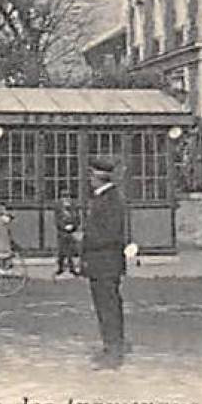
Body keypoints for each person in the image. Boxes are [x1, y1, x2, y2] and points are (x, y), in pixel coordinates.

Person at [82, 158, 128, 369]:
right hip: (101, 263)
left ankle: (114, 352)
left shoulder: (110, 200)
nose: (89, 180)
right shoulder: (104, 198)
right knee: (104, 307)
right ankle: (110, 347)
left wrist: (84, 238)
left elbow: (111, 234)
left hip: (106, 262)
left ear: (98, 178)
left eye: (91, 176)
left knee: (108, 307)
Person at [54, 195, 81, 277]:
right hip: (62, 232)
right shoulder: (58, 208)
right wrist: (63, 227)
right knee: (61, 251)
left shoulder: (74, 209)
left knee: (70, 251)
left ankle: (72, 268)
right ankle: (60, 267)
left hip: (71, 232)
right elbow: (56, 220)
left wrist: (73, 226)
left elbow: (78, 219)